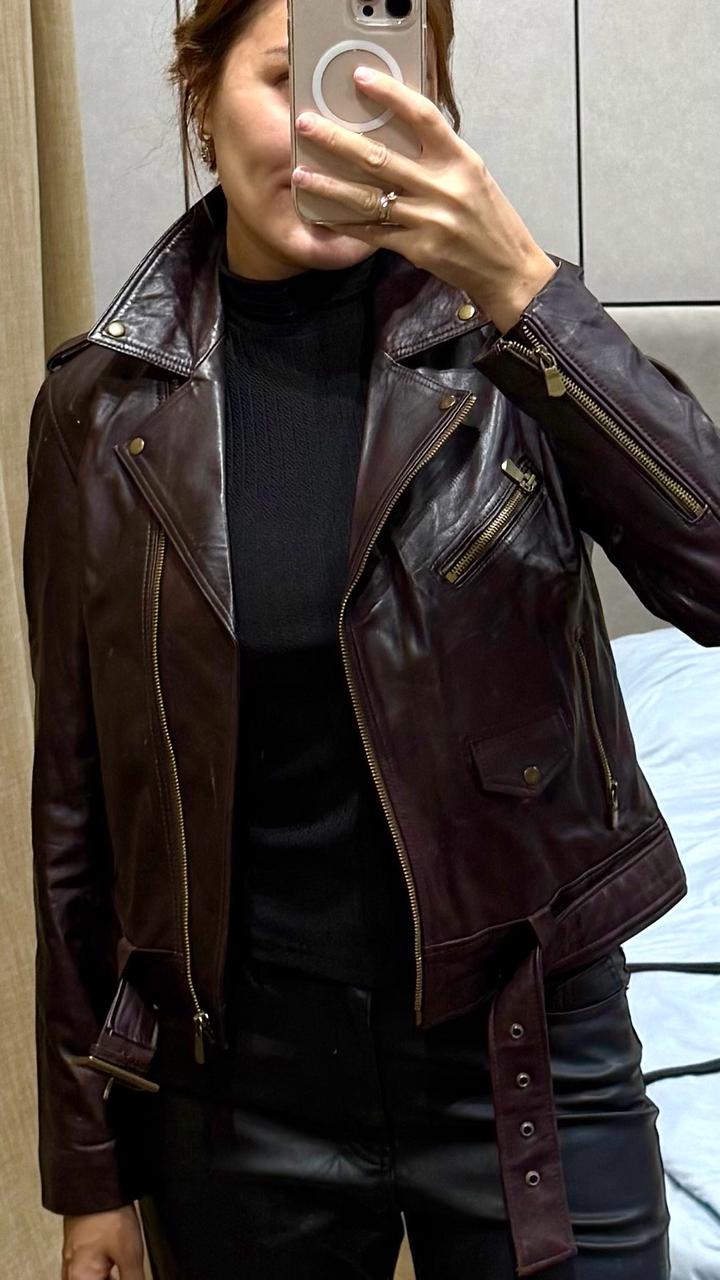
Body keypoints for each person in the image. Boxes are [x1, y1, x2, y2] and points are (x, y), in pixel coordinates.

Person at [22, 0, 720, 1277]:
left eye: (367, 80)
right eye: (284, 77)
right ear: (201, 96)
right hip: (240, 1090)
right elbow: (77, 806)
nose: (322, 126)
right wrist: (91, 1168)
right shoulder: (100, 409)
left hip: (523, 1049)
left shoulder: (512, 349)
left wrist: (523, 289)